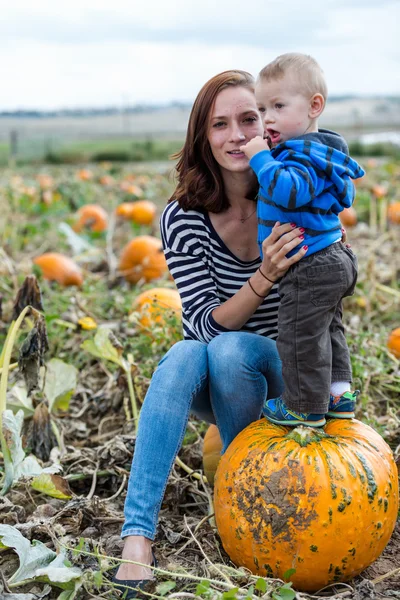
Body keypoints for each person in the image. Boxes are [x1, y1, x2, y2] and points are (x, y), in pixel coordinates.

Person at [112, 69, 309, 597]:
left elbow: (330, 296)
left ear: (269, 126)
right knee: (187, 353)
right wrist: (265, 275)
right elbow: (199, 322)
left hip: (290, 376)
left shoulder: (296, 197)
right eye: (220, 124)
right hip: (221, 373)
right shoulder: (183, 217)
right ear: (204, 137)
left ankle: (248, 494)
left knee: (231, 347)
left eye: (249, 119)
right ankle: (137, 537)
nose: (236, 135)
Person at [240, 53, 364, 428]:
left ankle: (303, 407)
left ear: (314, 106)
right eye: (262, 108)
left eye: (278, 105)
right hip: (331, 257)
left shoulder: (299, 154)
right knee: (328, 329)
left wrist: (261, 158)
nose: (268, 118)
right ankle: (338, 394)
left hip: (310, 264)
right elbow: (331, 199)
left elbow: (290, 192)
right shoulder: (323, 152)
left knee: (298, 336)